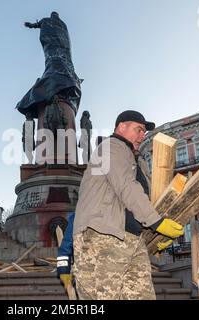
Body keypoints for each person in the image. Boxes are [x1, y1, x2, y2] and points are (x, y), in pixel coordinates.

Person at [72, 110, 184, 300]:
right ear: (121, 127)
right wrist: (157, 222)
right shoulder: (110, 147)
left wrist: (156, 235)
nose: (142, 136)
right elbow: (126, 186)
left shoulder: (136, 159)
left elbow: (143, 199)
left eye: (144, 132)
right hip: (102, 235)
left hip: (132, 240)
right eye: (138, 129)